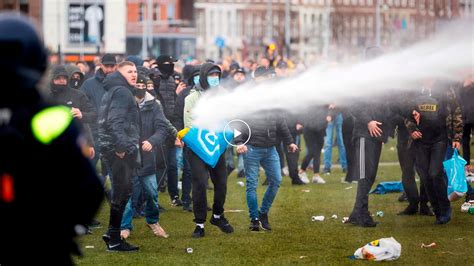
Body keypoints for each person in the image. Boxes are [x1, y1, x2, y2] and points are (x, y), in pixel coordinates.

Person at [0, 12, 103, 264]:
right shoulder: (52, 119)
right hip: (44, 247)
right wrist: (65, 230)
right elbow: (90, 189)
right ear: (40, 62)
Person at [236, 66, 298, 231]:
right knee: (251, 185)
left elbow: (281, 122)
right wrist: (239, 142)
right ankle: (254, 219)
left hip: (270, 148)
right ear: (257, 78)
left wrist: (289, 141)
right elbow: (237, 120)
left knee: (276, 180)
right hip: (251, 148)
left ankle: (263, 213)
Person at [184, 62, 234, 238]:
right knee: (199, 184)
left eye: (217, 76)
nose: (215, 79)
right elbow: (188, 125)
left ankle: (218, 215)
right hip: (197, 149)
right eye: (211, 75)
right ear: (204, 76)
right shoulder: (191, 98)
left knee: (221, 183)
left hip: (218, 148)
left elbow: (229, 119)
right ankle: (199, 224)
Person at [347, 46, 394, 227]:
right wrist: (368, 121)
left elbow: (389, 105)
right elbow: (353, 105)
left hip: (377, 136)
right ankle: (362, 214)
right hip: (363, 134)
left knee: (371, 175)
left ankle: (356, 213)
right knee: (365, 175)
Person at [406, 79, 463, 224]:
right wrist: (412, 129)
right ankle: (437, 210)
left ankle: (445, 208)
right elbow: (406, 112)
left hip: (440, 139)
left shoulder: (445, 88)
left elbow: (456, 112)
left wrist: (457, 136)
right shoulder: (415, 89)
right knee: (425, 177)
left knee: (435, 173)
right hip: (420, 141)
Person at [120, 75, 170, 239]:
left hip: (147, 157)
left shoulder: (154, 105)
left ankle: (153, 221)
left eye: (143, 84)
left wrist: (152, 141)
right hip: (128, 156)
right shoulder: (123, 104)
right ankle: (125, 227)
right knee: (127, 195)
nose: (140, 87)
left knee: (152, 193)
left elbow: (162, 128)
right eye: (137, 84)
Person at [99, 61, 140, 251]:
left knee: (121, 192)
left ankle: (111, 234)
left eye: (135, 71)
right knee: (122, 193)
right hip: (118, 150)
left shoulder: (114, 89)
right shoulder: (122, 91)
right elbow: (115, 120)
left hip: (111, 147)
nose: (134, 74)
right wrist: (121, 147)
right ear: (119, 73)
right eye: (129, 71)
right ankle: (114, 239)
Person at [48, 65, 96, 158]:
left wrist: (82, 114)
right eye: (58, 78)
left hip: (75, 143)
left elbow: (93, 115)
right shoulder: (46, 96)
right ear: (52, 80)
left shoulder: (78, 95)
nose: (62, 81)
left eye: (64, 78)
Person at [153, 55, 182, 206]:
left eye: (172, 63)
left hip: (171, 127)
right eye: (168, 63)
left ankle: (174, 195)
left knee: (173, 165)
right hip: (158, 128)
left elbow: (173, 103)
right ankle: (153, 199)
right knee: (159, 165)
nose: (170, 66)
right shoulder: (154, 79)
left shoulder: (171, 80)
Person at [298, 104, 329, 184]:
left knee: (317, 153)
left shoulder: (325, 100)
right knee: (312, 152)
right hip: (309, 129)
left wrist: (331, 114)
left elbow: (332, 109)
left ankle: (316, 175)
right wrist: (300, 122)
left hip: (320, 129)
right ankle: (302, 172)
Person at [323, 104, 348, 175]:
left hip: (338, 114)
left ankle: (345, 166)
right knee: (328, 143)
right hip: (328, 116)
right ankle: (327, 167)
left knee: (341, 142)